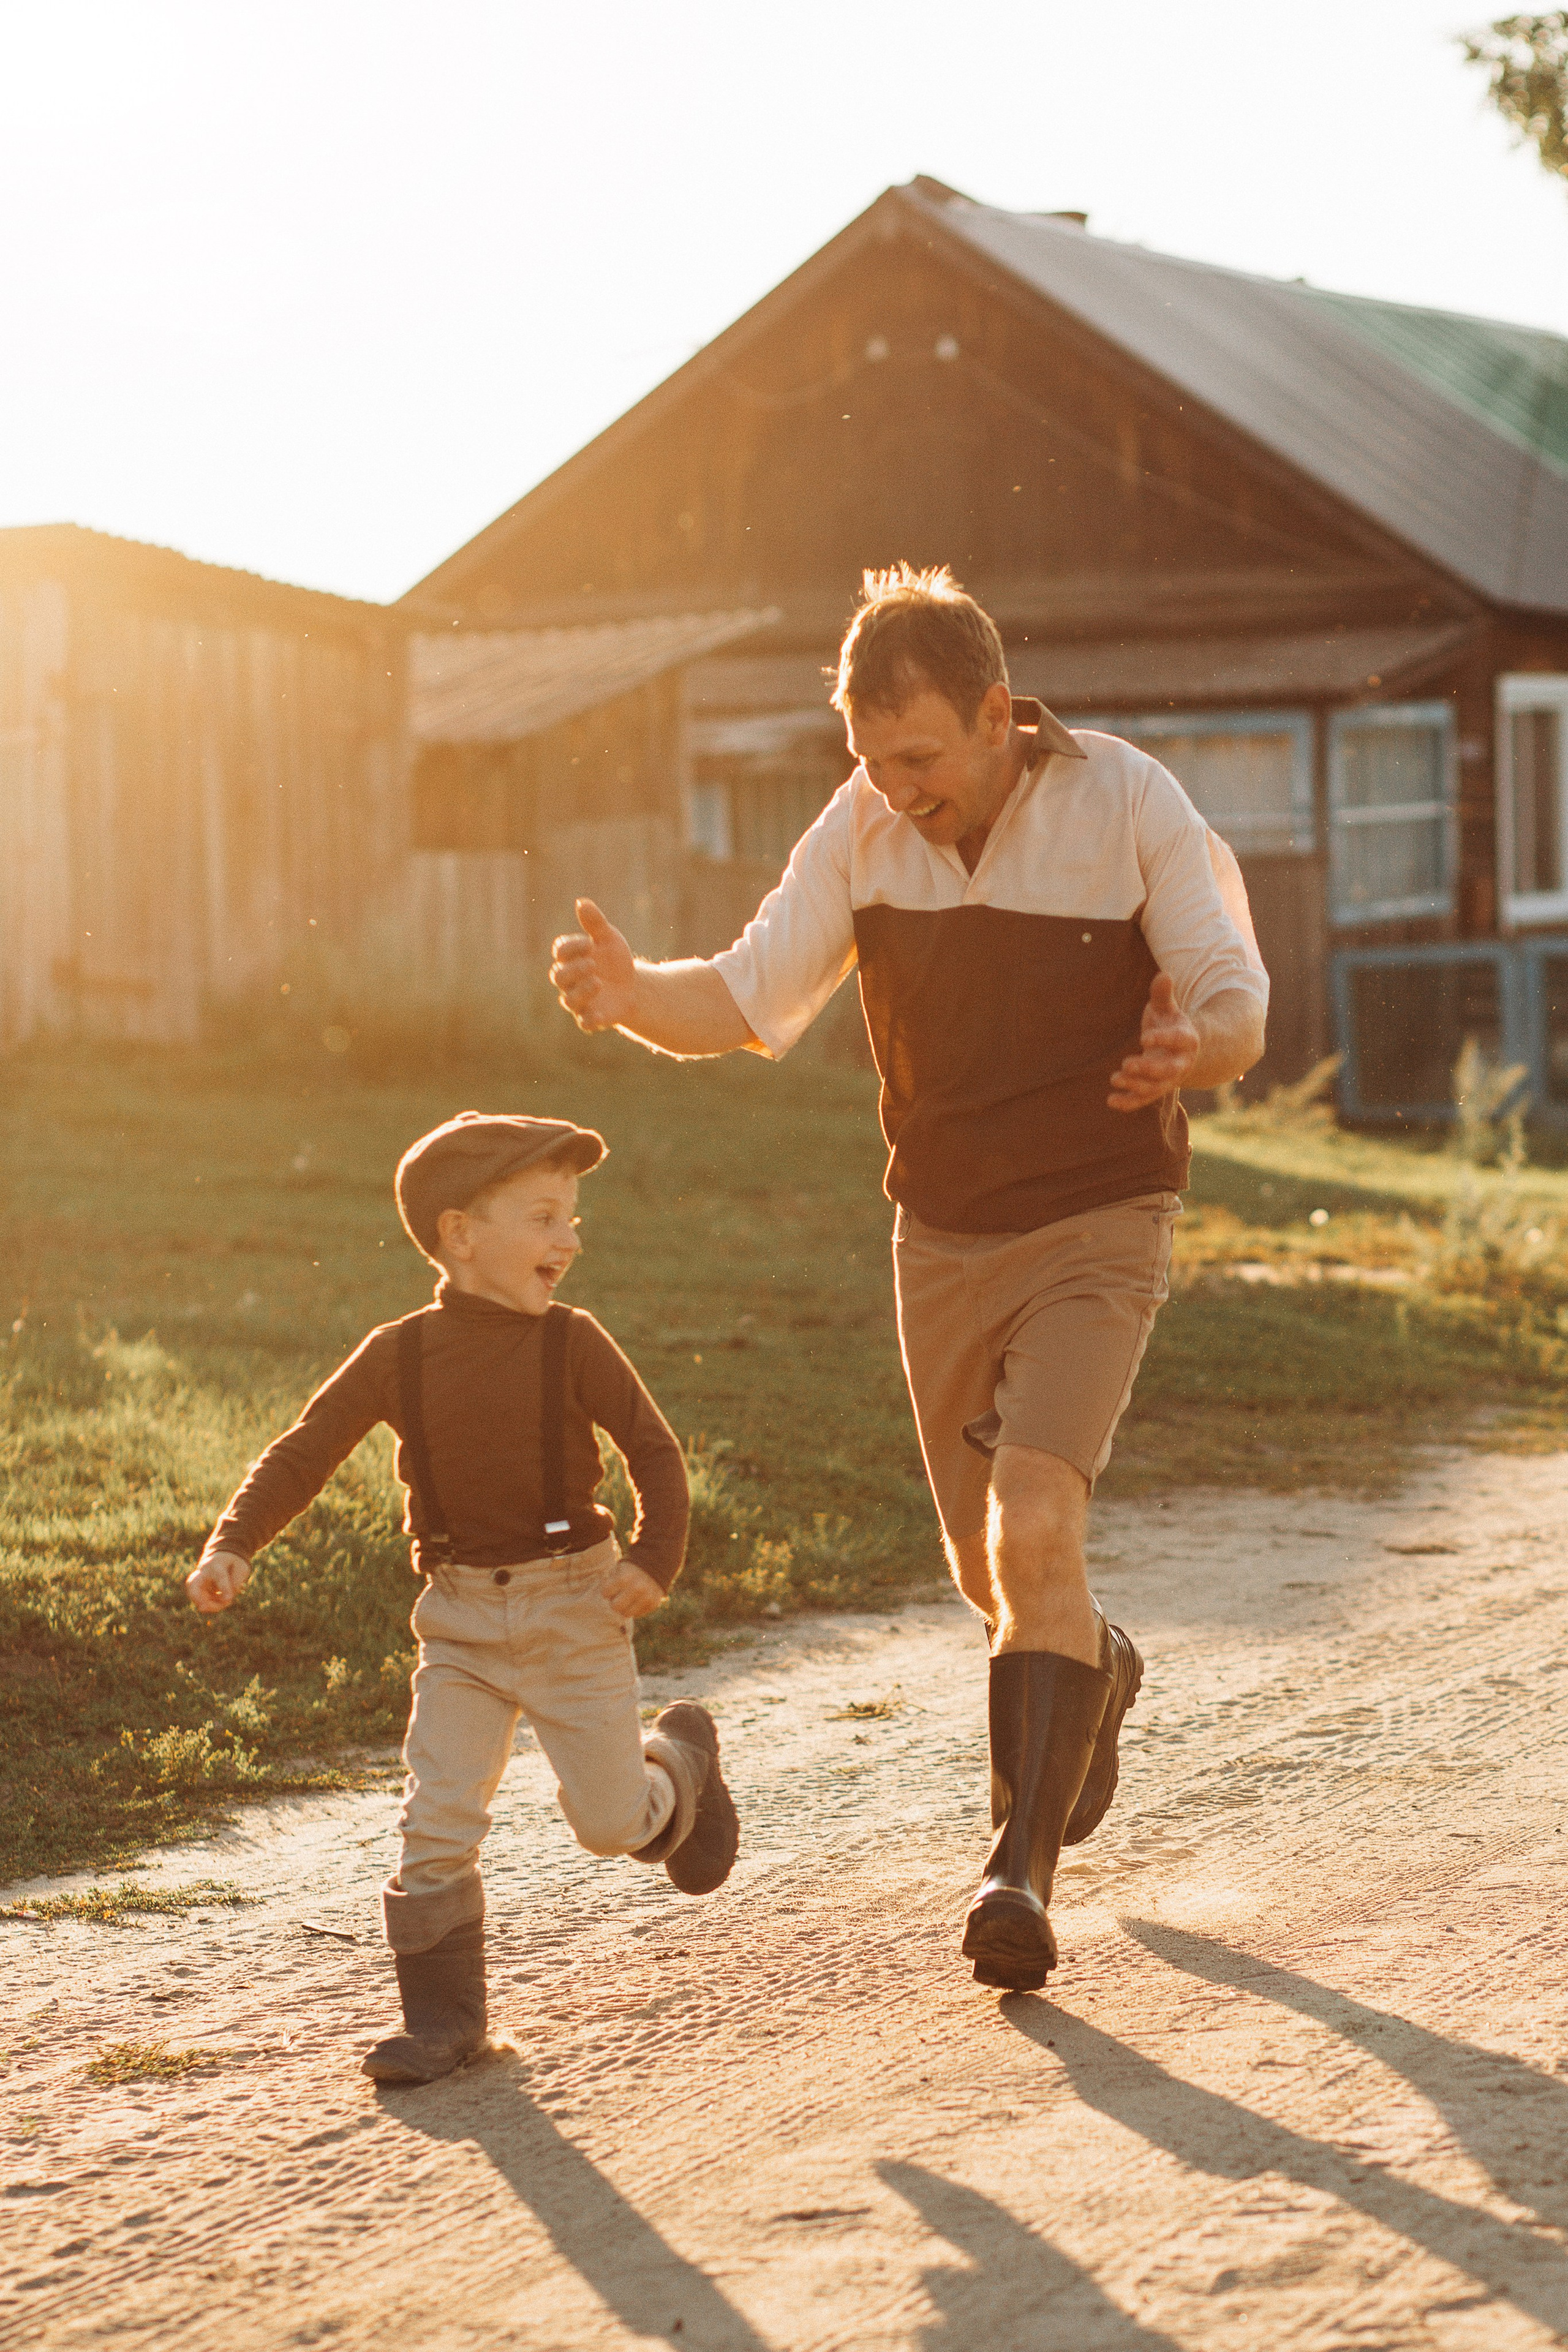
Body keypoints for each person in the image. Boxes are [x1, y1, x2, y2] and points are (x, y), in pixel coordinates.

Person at [551, 565, 1267, 1994]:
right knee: (988, 1574)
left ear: (998, 713)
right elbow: (749, 1000)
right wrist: (635, 1000)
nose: (896, 788)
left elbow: (1231, 991)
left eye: (921, 757)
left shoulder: (1127, 802)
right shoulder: (863, 826)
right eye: (870, 761)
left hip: (1095, 1215)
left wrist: (1197, 1051)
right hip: (939, 1236)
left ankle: (1018, 1870)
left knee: (1032, 1521)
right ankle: (1094, 1668)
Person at [185, 1112, 739, 2081]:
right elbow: (305, 1451)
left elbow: (654, 1453)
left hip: (575, 1605)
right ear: (460, 1235)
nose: (569, 1240)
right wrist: (234, 1543)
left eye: (571, 1218)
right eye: (543, 1217)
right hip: (460, 1622)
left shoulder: (575, 1343)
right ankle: (445, 2023)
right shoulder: (398, 1353)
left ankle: (678, 1769)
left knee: (609, 1826)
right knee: (436, 1814)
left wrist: (653, 1560)